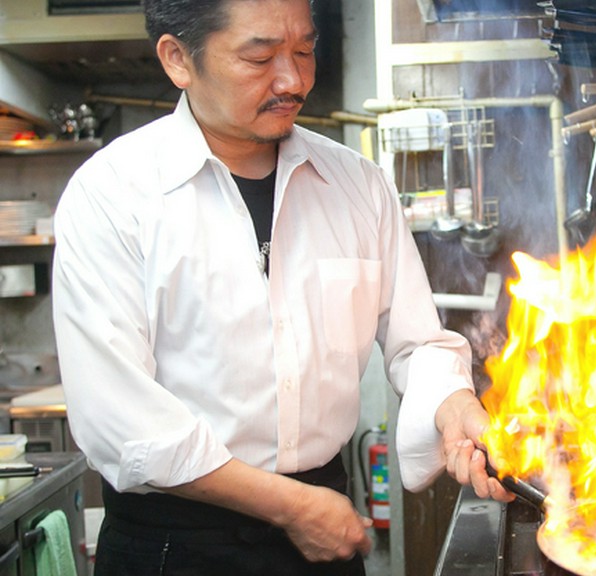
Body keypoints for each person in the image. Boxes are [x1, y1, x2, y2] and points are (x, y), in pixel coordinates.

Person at [50, 0, 511, 574]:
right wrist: (291, 507)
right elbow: (119, 420)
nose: (293, 80)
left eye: (304, 50)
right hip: (177, 542)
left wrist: (454, 405)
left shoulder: (357, 185)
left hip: (325, 526)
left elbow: (417, 343)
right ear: (177, 59)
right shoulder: (113, 195)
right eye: (260, 55)